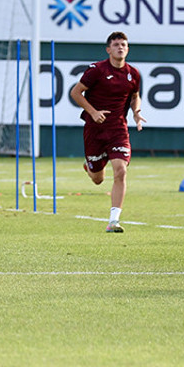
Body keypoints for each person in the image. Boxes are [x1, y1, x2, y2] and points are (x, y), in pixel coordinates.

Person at [70, 31, 145, 232]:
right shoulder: (96, 70)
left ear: (128, 49)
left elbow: (134, 96)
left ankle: (113, 220)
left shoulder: (133, 73)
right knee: (98, 179)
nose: (120, 47)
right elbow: (75, 93)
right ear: (108, 49)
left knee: (120, 170)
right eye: (116, 44)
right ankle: (90, 166)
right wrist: (93, 112)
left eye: (124, 45)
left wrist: (136, 112)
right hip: (94, 130)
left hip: (118, 129)